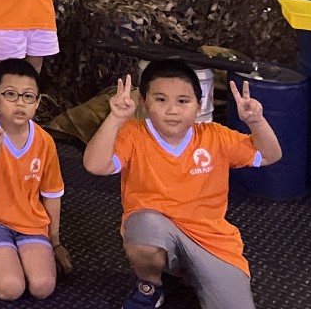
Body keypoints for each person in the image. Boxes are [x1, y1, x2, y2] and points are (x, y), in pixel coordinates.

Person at [83, 61, 282, 309]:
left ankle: (191, 271)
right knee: (143, 223)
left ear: (199, 106)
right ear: (144, 103)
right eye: (161, 99)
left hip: (211, 240)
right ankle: (149, 286)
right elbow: (95, 165)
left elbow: (269, 156)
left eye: (183, 101)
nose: (172, 110)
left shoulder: (215, 135)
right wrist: (115, 119)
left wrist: (256, 122)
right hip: (156, 234)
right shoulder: (133, 133)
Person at [0, 59, 71, 302]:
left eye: (28, 96)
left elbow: (52, 194)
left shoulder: (45, 141)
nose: (20, 103)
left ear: (37, 101)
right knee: (11, 288)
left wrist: (55, 242)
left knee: (42, 287)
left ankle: (9, 254)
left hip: (31, 223)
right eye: (11, 94)